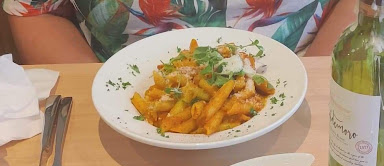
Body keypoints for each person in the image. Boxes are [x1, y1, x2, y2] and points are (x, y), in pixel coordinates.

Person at [4, 0, 357, 64]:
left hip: (306, 69)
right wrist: (105, 99)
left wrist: (319, 80)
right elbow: (35, 10)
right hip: (121, 87)